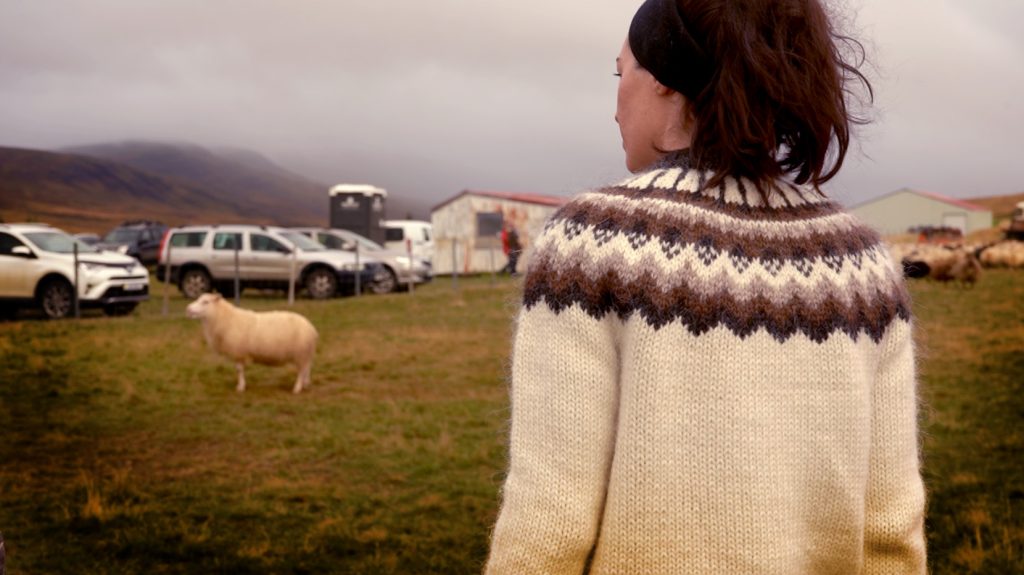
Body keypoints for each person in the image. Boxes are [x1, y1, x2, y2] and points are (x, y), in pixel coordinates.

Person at [485, 0, 927, 573]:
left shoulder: (591, 246)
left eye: (622, 75)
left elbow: (548, 526)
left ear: (668, 84)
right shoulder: (863, 266)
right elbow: (891, 534)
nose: (615, 107)